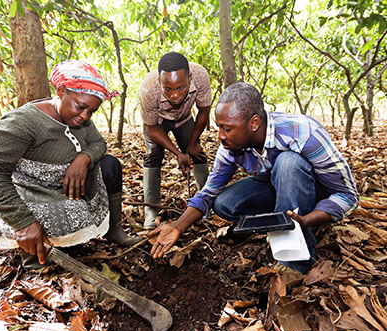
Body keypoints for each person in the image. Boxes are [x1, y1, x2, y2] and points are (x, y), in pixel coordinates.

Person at [148, 82, 359, 274]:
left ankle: (295, 263)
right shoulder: (230, 147)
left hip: (312, 196)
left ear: (254, 123)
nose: (220, 136)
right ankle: (277, 221)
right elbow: (209, 192)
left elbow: (347, 195)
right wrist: (178, 226)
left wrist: (307, 219)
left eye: (227, 128)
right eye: (219, 127)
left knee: (288, 163)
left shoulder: (303, 133)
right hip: (277, 188)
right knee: (224, 204)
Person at [0, 60, 141, 269]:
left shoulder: (81, 120)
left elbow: (99, 143)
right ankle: (33, 254)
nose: (85, 116)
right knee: (46, 260)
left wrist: (84, 158)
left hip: (67, 187)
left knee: (110, 165)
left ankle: (113, 230)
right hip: (34, 192)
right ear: (61, 91)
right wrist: (22, 221)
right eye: (81, 107)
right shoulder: (22, 122)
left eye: (91, 111)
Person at [139, 52, 212, 228]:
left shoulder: (200, 76)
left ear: (190, 78)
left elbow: (203, 111)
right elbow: (151, 128)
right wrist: (178, 153)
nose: (175, 96)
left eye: (181, 88)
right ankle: (151, 210)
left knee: (198, 153)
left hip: (185, 119)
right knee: (153, 155)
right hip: (157, 122)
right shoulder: (149, 88)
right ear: (160, 82)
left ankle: (207, 202)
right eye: (168, 89)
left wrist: (192, 144)